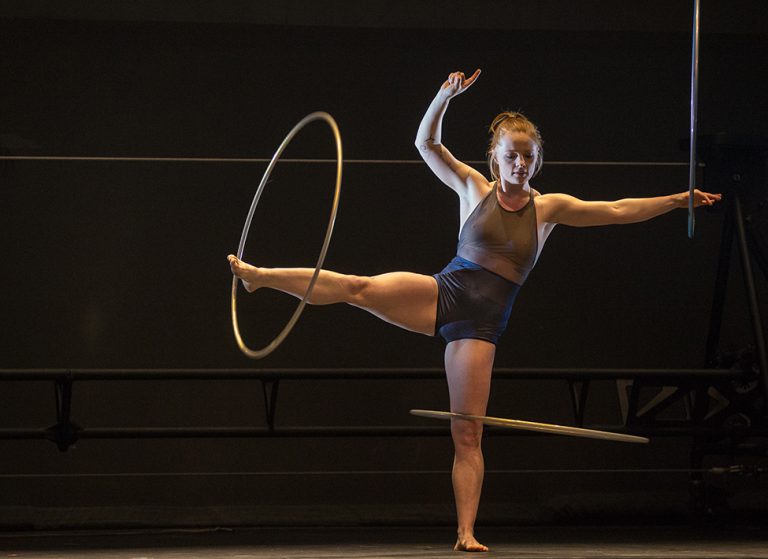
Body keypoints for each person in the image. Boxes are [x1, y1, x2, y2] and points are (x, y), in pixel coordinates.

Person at [228, 69, 721, 552]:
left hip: (481, 325)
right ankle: (259, 278)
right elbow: (426, 145)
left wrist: (678, 200)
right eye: (511, 156)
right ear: (495, 158)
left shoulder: (548, 209)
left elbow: (616, 210)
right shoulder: (473, 189)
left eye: (528, 157)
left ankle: (465, 532)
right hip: (444, 291)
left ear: (537, 159)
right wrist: (444, 97)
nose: (520, 166)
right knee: (358, 286)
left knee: (467, 430)